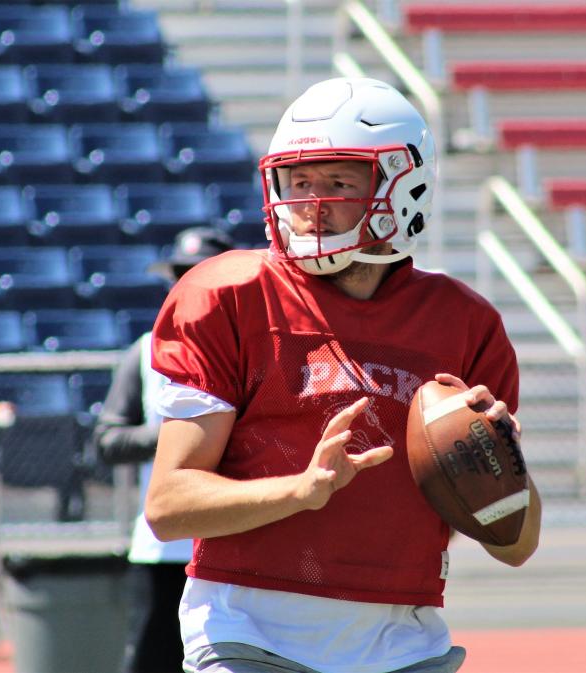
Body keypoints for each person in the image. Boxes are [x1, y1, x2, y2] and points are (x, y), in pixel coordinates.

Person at [146, 77, 542, 673]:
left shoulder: (464, 323)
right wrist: (300, 491)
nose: (311, 203)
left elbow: (516, 545)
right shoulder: (228, 295)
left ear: (401, 186)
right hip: (250, 630)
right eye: (299, 181)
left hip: (404, 641)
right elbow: (169, 504)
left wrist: (491, 460)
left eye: (338, 181)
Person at [94, 226, 235, 673]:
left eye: (198, 273)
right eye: (180, 274)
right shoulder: (144, 351)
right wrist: (179, 433)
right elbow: (107, 440)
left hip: (235, 546)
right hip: (162, 548)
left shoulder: (256, 350)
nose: (186, 283)